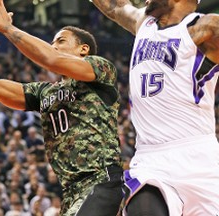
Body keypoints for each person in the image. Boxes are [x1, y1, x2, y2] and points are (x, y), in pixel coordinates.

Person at [0, 0, 124, 215]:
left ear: (83, 49)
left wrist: (7, 28)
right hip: (70, 191)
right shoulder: (44, 93)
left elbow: (50, 58)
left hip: (101, 178)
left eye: (61, 40)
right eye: (53, 42)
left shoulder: (101, 69)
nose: (54, 46)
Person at [91, 0, 219, 215]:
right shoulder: (144, 24)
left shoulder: (206, 27)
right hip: (151, 159)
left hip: (199, 159)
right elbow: (115, 6)